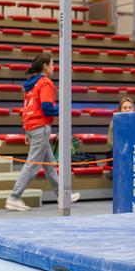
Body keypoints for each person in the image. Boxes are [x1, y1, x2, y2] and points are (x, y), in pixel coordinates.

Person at [5, 53, 80, 211]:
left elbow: (30, 108)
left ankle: (62, 195)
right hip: (40, 127)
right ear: (45, 66)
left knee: (50, 165)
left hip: (31, 127)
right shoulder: (45, 82)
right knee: (32, 165)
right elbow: (47, 108)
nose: (54, 67)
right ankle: (14, 197)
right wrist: (63, 109)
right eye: (52, 64)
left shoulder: (30, 84)